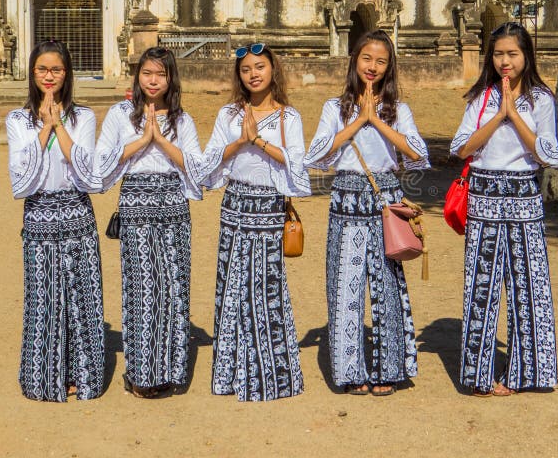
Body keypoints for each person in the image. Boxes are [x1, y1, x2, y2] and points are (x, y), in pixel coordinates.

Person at [304, 29, 430, 396]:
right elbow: (316, 157)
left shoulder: (399, 110)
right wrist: (359, 120)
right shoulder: (335, 108)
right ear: (354, 61)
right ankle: (349, 371)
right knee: (346, 287)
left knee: (387, 285)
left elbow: (419, 155)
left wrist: (377, 121)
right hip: (345, 200)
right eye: (366, 59)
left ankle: (388, 370)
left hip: (386, 203)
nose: (372, 67)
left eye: (381, 61)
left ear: (389, 67)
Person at [191, 42, 310, 402]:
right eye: (246, 70)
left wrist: (256, 140)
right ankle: (229, 374)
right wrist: (238, 140)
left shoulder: (289, 117)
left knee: (266, 290)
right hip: (235, 206)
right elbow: (207, 164)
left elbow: (297, 166)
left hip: (269, 208)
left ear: (273, 70)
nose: (253, 74)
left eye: (259, 67)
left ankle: (270, 375)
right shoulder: (228, 113)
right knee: (232, 289)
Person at [450, 21, 558, 397]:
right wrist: (499, 113)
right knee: (481, 288)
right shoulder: (481, 98)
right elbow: (462, 148)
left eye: (512, 53)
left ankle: (524, 373)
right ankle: (478, 376)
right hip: (482, 198)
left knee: (527, 287)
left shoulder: (542, 99)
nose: (505, 61)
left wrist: (515, 114)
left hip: (524, 198)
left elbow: (547, 154)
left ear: (527, 55)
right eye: (498, 54)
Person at [94, 47, 202, 399]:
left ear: (171, 78)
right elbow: (100, 164)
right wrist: (142, 140)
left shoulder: (182, 120)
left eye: (160, 74)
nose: (153, 80)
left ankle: (171, 372)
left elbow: (197, 168)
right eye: (146, 73)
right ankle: (141, 373)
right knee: (143, 287)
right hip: (136, 202)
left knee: (173, 286)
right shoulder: (119, 114)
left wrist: (161, 141)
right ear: (137, 77)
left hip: (173, 203)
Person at [6, 39, 104, 402]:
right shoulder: (17, 120)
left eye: (56, 70)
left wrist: (59, 124)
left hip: (77, 212)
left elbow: (88, 175)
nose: (49, 77)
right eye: (42, 69)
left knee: (82, 297)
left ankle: (83, 375)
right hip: (39, 215)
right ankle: (44, 377)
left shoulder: (85, 117)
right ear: (32, 73)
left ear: (67, 74)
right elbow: (20, 180)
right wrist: (44, 128)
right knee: (44, 298)